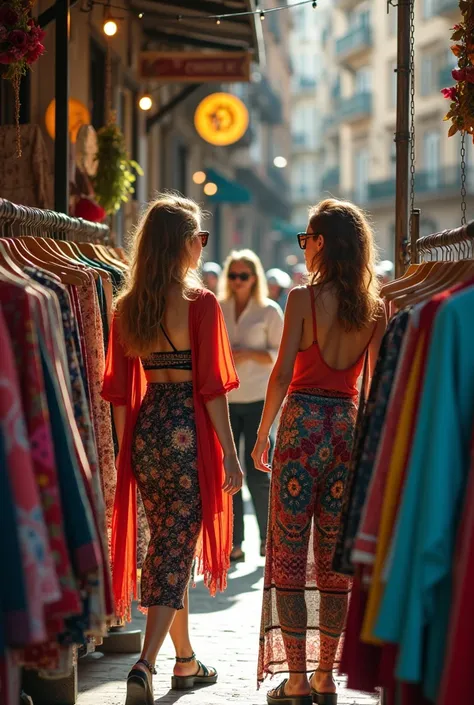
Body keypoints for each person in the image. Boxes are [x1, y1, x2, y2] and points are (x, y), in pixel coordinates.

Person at [101, 195, 243, 705]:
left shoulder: (127, 306)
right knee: (174, 548)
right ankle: (146, 663)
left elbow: (119, 392)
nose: (201, 247)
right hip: (188, 429)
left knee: (168, 545)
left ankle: (186, 661)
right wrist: (228, 451)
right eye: (198, 238)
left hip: (147, 430)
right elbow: (211, 388)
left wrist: (126, 453)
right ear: (182, 243)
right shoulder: (199, 303)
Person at [252, 199, 386, 705]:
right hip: (346, 431)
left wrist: (264, 431)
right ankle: (328, 675)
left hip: (302, 427)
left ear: (323, 242)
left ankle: (296, 679)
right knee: (334, 559)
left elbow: (283, 373)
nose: (304, 249)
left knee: (287, 554)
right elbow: (373, 386)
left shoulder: (302, 300)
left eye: (307, 239)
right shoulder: (372, 307)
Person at [219, 250, 284, 562]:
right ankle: (235, 542)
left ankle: (266, 540)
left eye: (243, 276)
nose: (237, 282)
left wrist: (247, 353)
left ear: (254, 277)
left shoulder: (269, 310)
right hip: (227, 399)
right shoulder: (219, 308)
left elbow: (280, 355)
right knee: (231, 471)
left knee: (258, 470)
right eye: (233, 276)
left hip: (258, 396)